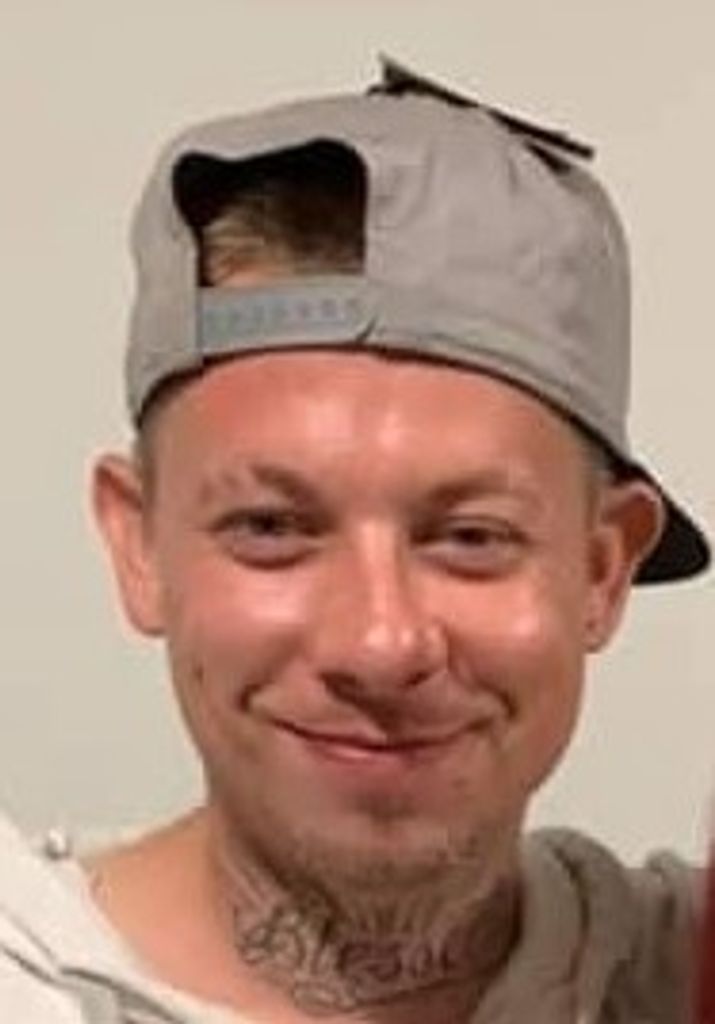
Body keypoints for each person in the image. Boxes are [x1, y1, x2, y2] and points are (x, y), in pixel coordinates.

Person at [0, 58, 709, 1023]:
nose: (378, 645)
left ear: (601, 569)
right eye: (270, 528)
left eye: (470, 537)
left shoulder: (678, 976)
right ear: (140, 548)